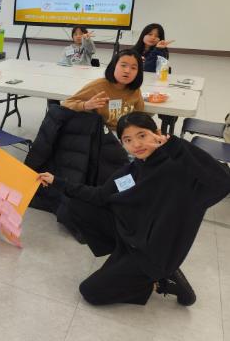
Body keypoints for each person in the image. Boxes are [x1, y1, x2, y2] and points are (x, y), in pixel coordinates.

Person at [37, 111, 230, 306]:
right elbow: (100, 195)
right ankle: (124, 258)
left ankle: (163, 282)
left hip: (156, 254)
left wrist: (177, 146)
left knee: (90, 292)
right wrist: (57, 181)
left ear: (157, 133)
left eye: (142, 135)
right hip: (132, 238)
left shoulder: (179, 167)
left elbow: (222, 183)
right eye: (127, 140)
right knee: (76, 204)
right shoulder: (132, 170)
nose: (136, 145)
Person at [62, 49, 144, 130]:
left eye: (133, 68)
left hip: (125, 132)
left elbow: (140, 115)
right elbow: (66, 104)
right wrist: (85, 105)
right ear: (114, 66)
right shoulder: (98, 86)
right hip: (101, 132)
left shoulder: (135, 90)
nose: (127, 71)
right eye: (123, 65)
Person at [132, 23, 177, 134]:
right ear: (143, 35)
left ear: (160, 39)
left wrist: (157, 50)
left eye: (156, 36)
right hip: (135, 87)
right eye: (149, 34)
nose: (152, 37)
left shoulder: (162, 51)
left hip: (151, 91)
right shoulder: (134, 50)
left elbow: (148, 69)